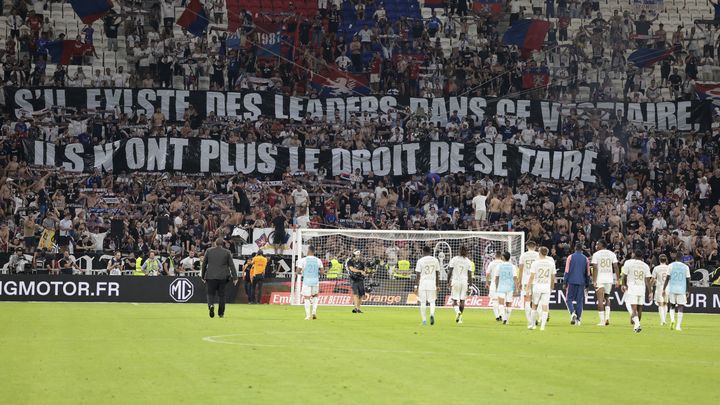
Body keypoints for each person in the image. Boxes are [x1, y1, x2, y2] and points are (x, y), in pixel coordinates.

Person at [202, 238, 238, 318]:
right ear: (223, 244)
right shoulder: (227, 252)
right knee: (222, 295)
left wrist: (203, 275)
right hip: (223, 277)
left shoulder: (209, 251)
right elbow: (231, 265)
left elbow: (204, 264)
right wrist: (235, 277)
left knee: (210, 294)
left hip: (210, 276)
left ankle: (211, 305)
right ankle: (221, 313)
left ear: (215, 243)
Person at [621, 250, 651, 333]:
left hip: (632, 287)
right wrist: (650, 292)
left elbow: (624, 276)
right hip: (642, 288)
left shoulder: (628, 263)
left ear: (633, 254)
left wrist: (623, 284)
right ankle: (636, 325)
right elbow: (648, 280)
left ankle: (637, 324)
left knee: (633, 308)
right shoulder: (645, 266)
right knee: (640, 308)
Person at [590, 240, 620, 326]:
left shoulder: (596, 255)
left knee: (600, 299)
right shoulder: (612, 254)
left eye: (597, 244)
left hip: (600, 278)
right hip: (609, 279)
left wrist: (594, 280)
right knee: (607, 297)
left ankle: (602, 321)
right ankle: (607, 318)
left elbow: (595, 268)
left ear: (602, 245)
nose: (596, 246)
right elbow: (616, 267)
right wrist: (618, 279)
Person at [527, 247, 555, 330]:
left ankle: (532, 325)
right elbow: (553, 277)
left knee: (534, 305)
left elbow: (531, 277)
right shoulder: (551, 263)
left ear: (539, 253)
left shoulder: (535, 263)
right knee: (545, 306)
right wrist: (552, 287)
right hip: (546, 287)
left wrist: (528, 288)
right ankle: (542, 326)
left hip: (537, 286)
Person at [564, 242, 590, 325]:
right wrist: (587, 284)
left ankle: (572, 313)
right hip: (581, 282)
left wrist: (565, 282)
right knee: (580, 301)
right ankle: (578, 319)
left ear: (575, 248)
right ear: (582, 249)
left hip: (571, 281)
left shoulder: (570, 257)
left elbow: (567, 271)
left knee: (569, 299)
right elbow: (588, 273)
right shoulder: (586, 259)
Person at [415, 245, 441, 325]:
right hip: (432, 283)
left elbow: (418, 275)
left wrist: (416, 286)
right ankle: (432, 314)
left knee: (422, 302)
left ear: (423, 252)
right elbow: (437, 274)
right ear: (430, 252)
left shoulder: (420, 261)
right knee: (432, 301)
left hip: (423, 283)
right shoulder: (435, 260)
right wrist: (437, 285)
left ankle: (424, 321)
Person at [297, 245, 324, 320]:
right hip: (315, 281)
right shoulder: (318, 260)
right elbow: (322, 272)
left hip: (307, 281)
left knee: (307, 298)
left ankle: (308, 316)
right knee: (315, 296)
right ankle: (314, 312)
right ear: (314, 251)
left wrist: (301, 272)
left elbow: (298, 271)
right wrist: (316, 272)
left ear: (308, 251)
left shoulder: (303, 260)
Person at [664, 256, 691, 331]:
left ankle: (672, 320)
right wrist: (688, 290)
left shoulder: (671, 265)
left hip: (672, 288)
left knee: (672, 306)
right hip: (681, 289)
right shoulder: (686, 267)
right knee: (680, 307)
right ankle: (678, 326)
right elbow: (688, 279)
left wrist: (664, 288)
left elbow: (667, 278)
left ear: (675, 259)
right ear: (682, 259)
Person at [447, 245, 472, 324]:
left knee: (454, 300)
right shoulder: (468, 261)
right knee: (462, 300)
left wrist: (448, 281)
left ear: (459, 251)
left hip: (455, 281)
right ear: (466, 252)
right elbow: (470, 275)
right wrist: (470, 286)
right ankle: (460, 319)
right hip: (464, 282)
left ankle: (457, 312)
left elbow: (450, 271)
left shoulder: (454, 259)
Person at [518, 241, 540, 328]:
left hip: (526, 280)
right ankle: (536, 319)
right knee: (536, 301)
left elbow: (520, 269)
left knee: (527, 300)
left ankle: (530, 321)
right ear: (535, 247)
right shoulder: (538, 255)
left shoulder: (523, 255)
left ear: (527, 246)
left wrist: (519, 281)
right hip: (536, 281)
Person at [494, 252, 518, 325]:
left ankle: (504, 317)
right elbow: (515, 278)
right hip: (510, 287)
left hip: (501, 286)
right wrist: (516, 288)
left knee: (501, 303)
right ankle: (507, 320)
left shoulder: (499, 266)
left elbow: (497, 278)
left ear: (503, 257)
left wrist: (496, 287)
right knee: (509, 304)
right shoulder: (513, 266)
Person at [650, 254, 671, 326]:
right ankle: (664, 320)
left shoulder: (656, 268)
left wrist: (650, 287)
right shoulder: (669, 268)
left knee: (660, 304)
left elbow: (652, 279)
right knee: (665, 304)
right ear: (666, 260)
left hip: (660, 287)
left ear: (659, 260)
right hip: (668, 287)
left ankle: (663, 321)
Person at [485, 251, 503, 321]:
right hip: (502, 283)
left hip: (493, 283)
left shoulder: (492, 263)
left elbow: (488, 273)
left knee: (494, 300)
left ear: (495, 256)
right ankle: (501, 314)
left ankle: (497, 316)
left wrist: (487, 282)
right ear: (501, 256)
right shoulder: (503, 263)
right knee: (501, 300)